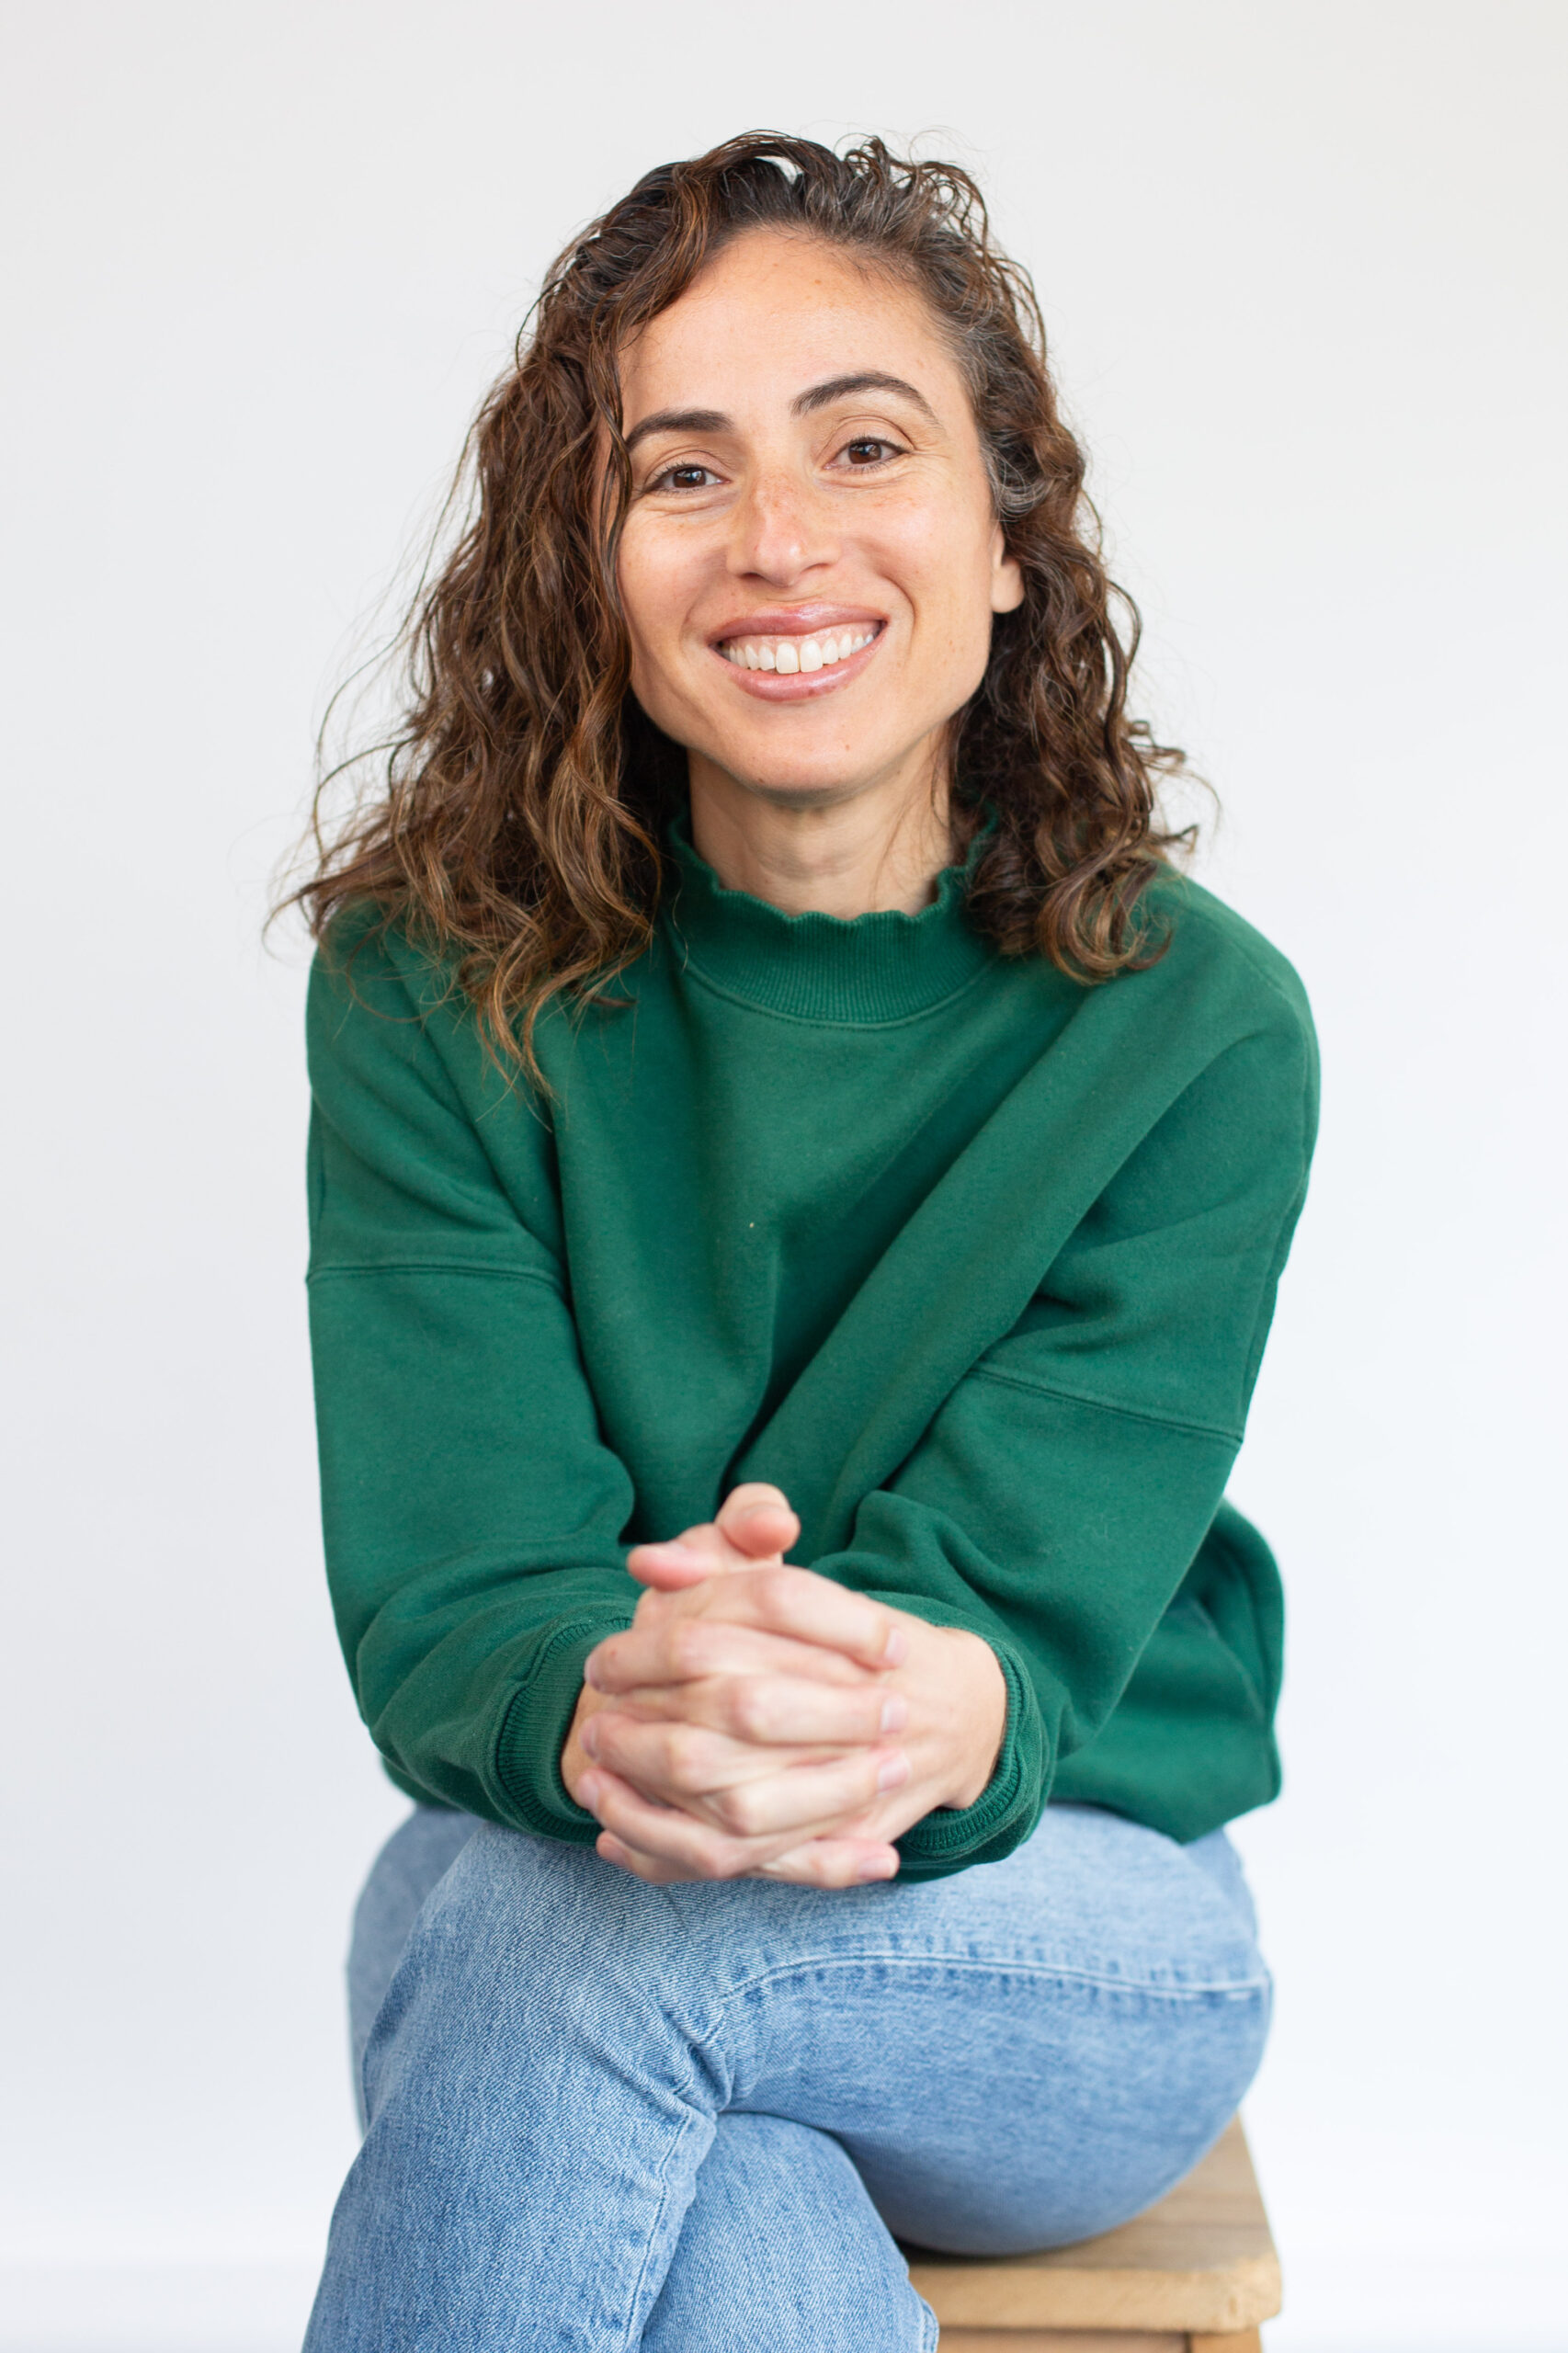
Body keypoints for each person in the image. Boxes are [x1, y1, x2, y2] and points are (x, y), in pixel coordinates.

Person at [291, 132, 1317, 2352]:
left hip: (1071, 1918)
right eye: (680, 474)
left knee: (561, 1958)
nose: (779, 541)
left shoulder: (1193, 1029)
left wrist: (893, 1702)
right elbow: (457, 1593)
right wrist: (609, 1699)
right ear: (590, 568)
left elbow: (1016, 1619)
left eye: (866, 445)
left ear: (1007, 534)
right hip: (560, 1842)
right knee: (728, 2210)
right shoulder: (428, 986)